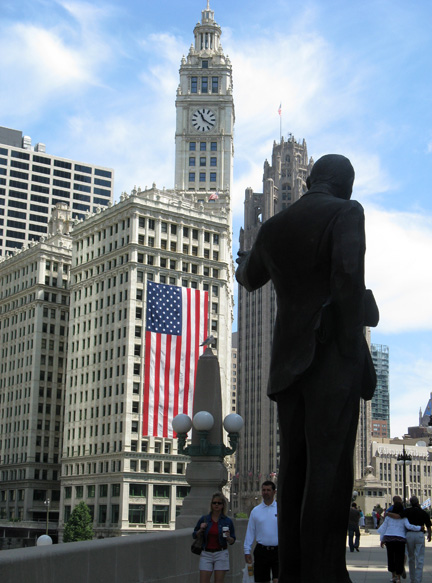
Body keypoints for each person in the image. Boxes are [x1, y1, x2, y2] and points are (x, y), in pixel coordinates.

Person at [236, 154, 379, 583]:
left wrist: (243, 253)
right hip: (330, 356)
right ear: (343, 184)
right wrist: (354, 349)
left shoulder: (273, 228)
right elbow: (348, 278)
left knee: (293, 470)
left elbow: (248, 277)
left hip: (286, 366)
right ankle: (326, 574)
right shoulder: (346, 212)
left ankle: (294, 573)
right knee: (330, 469)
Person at [192, 492, 236, 583]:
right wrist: (200, 530)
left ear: (223, 505)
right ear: (211, 504)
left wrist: (228, 538)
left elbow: (232, 540)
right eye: (214, 503)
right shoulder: (204, 519)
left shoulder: (227, 521)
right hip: (206, 553)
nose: (216, 505)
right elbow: (194, 534)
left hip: (221, 553)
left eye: (219, 503)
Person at [378, 501, 421, 583]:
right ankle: (398, 578)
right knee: (399, 558)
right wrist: (419, 528)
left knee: (391, 558)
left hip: (389, 539)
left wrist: (382, 539)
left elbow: (383, 529)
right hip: (400, 540)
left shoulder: (388, 518)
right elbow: (409, 526)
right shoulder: (404, 518)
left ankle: (393, 576)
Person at [244, 481, 279, 583]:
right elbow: (250, 531)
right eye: (264, 490)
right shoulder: (256, 511)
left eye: (268, 490)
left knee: (278, 579)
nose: (266, 492)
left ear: (274, 492)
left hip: (277, 551)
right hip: (261, 551)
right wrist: (247, 550)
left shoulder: (280, 509)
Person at [400, 496, 431, 583]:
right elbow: (428, 525)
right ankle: (418, 580)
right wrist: (429, 535)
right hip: (419, 535)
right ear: (418, 503)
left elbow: (399, 516)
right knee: (419, 559)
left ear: (410, 503)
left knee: (411, 558)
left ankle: (412, 579)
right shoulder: (423, 512)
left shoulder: (407, 511)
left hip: (409, 534)